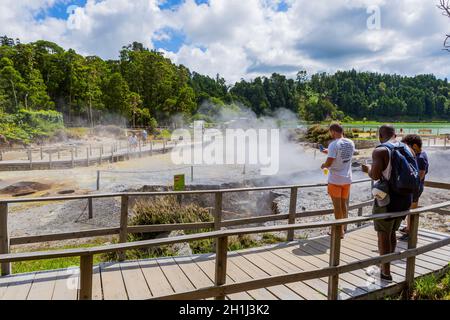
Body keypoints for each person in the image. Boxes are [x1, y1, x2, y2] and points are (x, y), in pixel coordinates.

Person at [361, 125, 417, 281]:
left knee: (383, 235)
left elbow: (375, 175)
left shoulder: (380, 150)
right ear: (395, 134)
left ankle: (385, 272)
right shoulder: (407, 148)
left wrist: (367, 169)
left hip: (387, 200)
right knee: (392, 232)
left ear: (380, 135)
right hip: (405, 199)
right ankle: (387, 264)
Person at [320, 123, 355, 239]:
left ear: (333, 131)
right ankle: (343, 228)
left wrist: (323, 165)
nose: (330, 134)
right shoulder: (350, 142)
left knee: (337, 207)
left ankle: (339, 232)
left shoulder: (333, 144)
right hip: (347, 179)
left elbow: (329, 162)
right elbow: (342, 154)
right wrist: (327, 151)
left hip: (335, 180)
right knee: (343, 205)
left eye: (331, 132)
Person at [399, 134, 429, 241]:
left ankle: (411, 232)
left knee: (412, 210)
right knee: (410, 209)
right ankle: (408, 228)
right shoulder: (419, 155)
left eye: (408, 146)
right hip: (414, 187)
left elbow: (421, 174)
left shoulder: (420, 157)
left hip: (416, 188)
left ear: (415, 146)